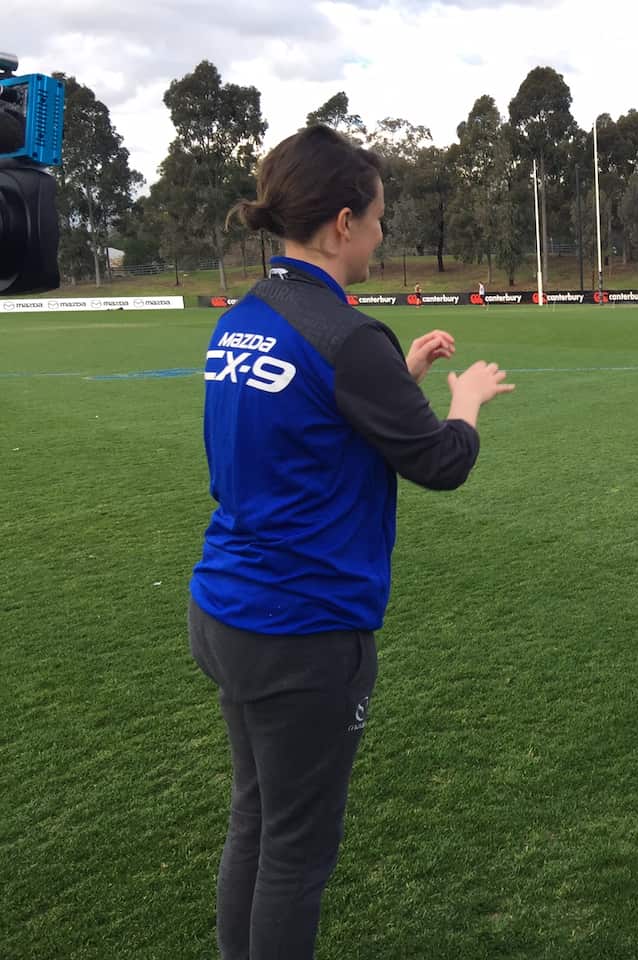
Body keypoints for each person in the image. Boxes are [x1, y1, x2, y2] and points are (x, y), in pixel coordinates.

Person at [187, 125, 514, 959]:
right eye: (377, 217)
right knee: (294, 852)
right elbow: (440, 462)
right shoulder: (345, 334)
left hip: (225, 610)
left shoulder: (248, 317)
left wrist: (397, 380)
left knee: (256, 820)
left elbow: (307, 425)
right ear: (342, 223)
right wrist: (465, 398)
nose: (381, 232)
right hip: (302, 634)